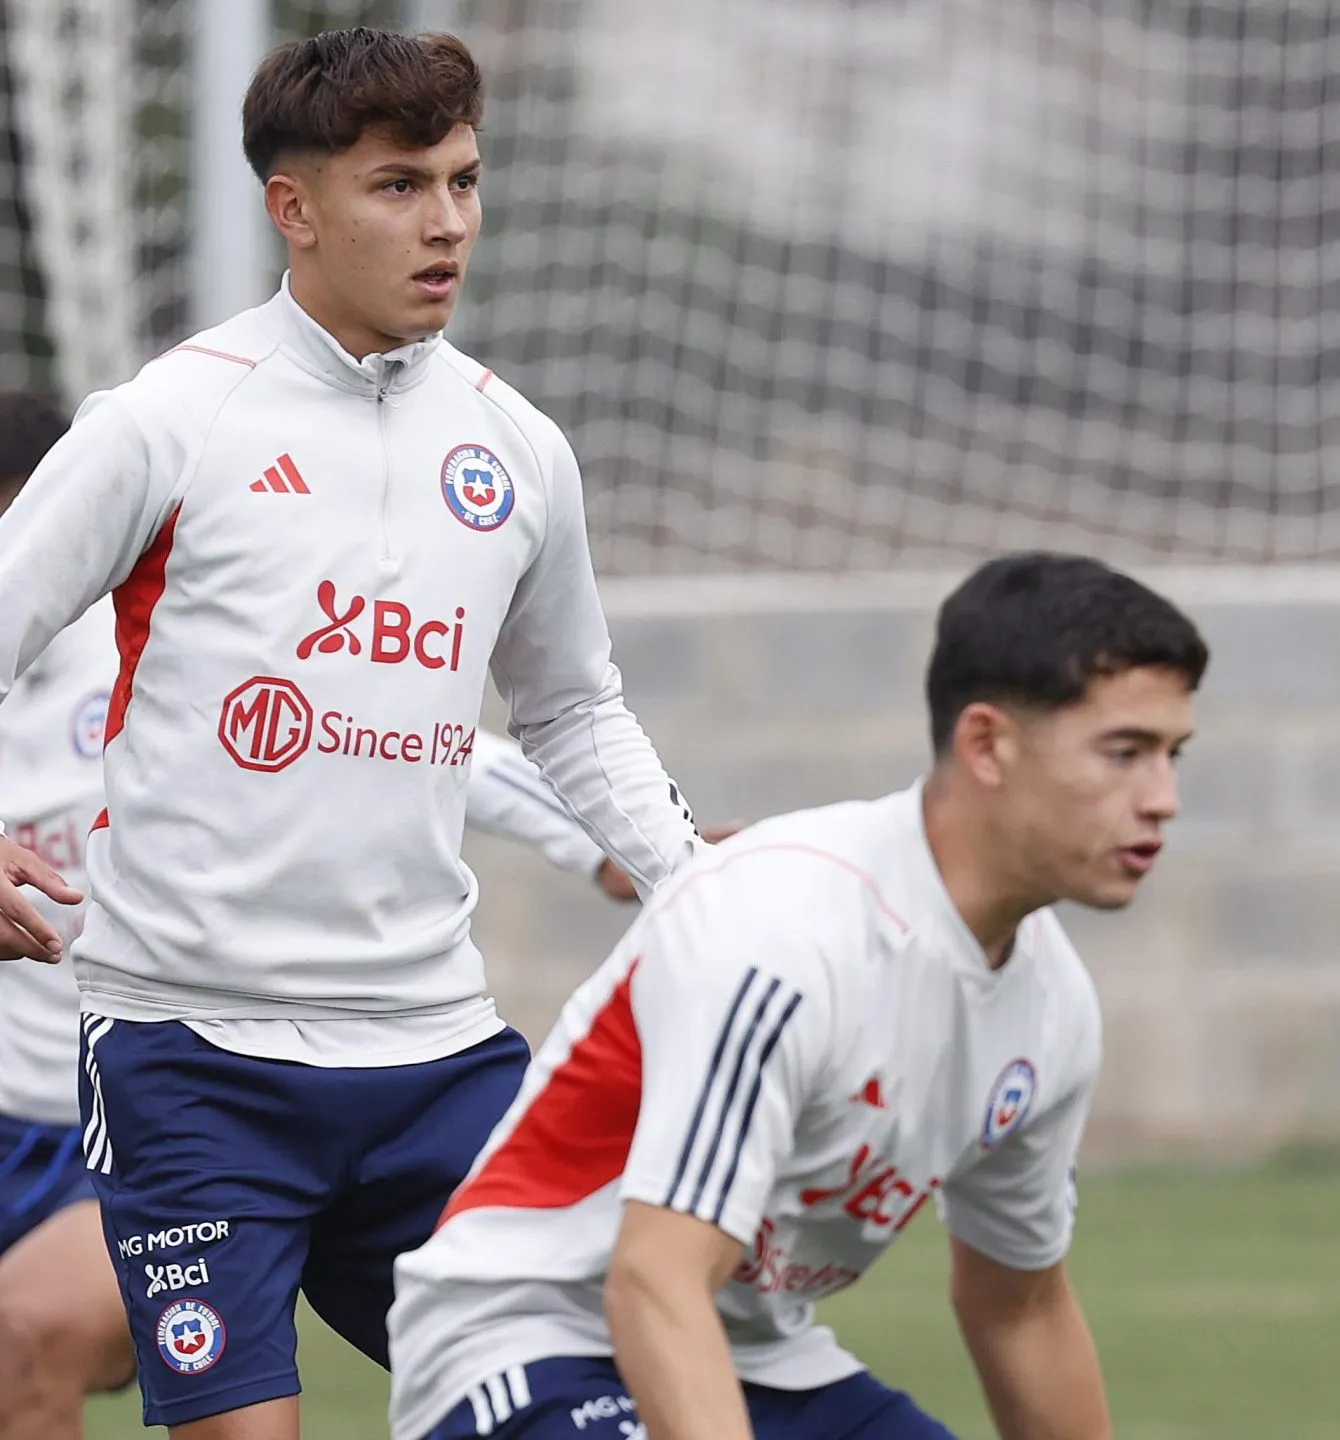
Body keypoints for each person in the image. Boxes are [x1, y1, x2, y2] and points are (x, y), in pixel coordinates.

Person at [0, 31, 703, 1438]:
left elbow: (569, 707)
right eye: (399, 186)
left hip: (435, 1056)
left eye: (464, 180)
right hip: (195, 1058)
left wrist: (698, 885)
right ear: (295, 208)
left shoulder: (518, 451)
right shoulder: (166, 424)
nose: (448, 223)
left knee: (595, 1408)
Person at [386, 553, 1203, 1440]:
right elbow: (655, 1283)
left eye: (1172, 756)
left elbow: (1022, 1309)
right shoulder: (781, 927)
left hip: (769, 1364)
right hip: (531, 1342)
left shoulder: (1052, 1008)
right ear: (986, 744)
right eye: (1125, 753)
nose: (1163, 800)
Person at [0, 392, 645, 1439]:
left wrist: (606, 844)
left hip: (114, 1132)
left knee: (23, 1335)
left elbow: (405, 730)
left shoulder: (149, 650)